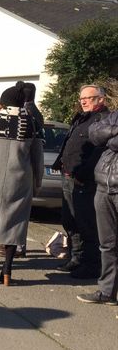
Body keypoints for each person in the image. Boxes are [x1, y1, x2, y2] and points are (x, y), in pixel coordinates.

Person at [0, 86, 43, 286]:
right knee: (15, 224)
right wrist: (37, 181)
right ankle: (7, 270)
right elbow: (37, 157)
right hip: (20, 179)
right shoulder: (31, 122)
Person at [52, 84, 109, 279]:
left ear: (100, 99)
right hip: (68, 175)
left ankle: (91, 264)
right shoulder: (81, 118)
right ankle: (76, 258)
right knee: (70, 220)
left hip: (84, 179)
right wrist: (59, 161)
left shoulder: (103, 120)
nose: (83, 101)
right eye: (82, 98)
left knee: (87, 223)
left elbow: (98, 152)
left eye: (89, 98)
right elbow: (70, 141)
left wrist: (83, 173)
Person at [78, 108, 118, 305]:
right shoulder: (114, 115)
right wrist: (113, 131)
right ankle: (107, 292)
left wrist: (109, 134)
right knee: (107, 243)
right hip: (103, 187)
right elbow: (94, 134)